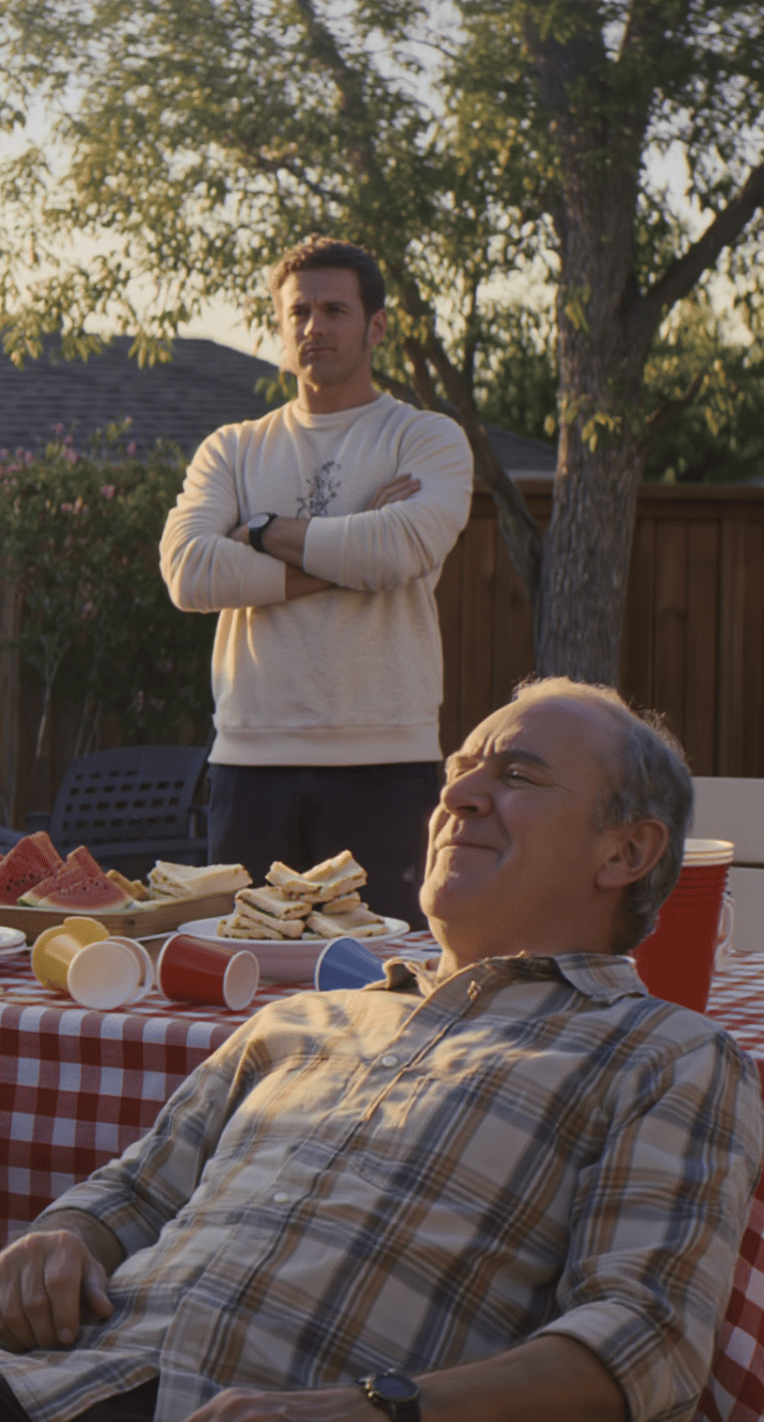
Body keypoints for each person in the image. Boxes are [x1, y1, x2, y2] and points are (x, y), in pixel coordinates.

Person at [0, 676, 764, 1422]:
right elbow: (129, 1193)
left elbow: (642, 1346)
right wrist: (64, 1240)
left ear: (628, 849)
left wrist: (375, 1417)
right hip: (61, 1400)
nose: (460, 790)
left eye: (515, 773)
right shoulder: (303, 1021)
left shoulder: (662, 1056)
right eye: (463, 764)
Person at [159, 236, 474, 925]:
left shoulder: (427, 439)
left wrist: (262, 531)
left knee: (382, 980)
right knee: (250, 980)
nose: (314, 326)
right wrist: (352, 547)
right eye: (298, 311)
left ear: (376, 326)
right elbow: (189, 571)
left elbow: (398, 549)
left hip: (387, 757)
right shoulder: (234, 448)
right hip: (251, 758)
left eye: (334, 309)